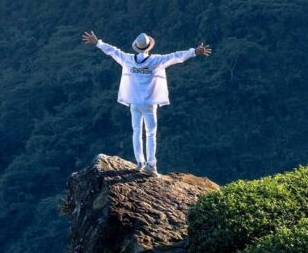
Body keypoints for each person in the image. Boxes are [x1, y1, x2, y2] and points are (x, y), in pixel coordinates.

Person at [82, 30, 212, 176]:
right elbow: (176, 57)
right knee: (151, 134)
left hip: (134, 103)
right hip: (149, 104)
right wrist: (195, 51)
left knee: (136, 131)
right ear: (149, 46)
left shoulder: (128, 59)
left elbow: (113, 51)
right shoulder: (155, 61)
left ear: (136, 47)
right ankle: (151, 165)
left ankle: (139, 162)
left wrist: (98, 42)